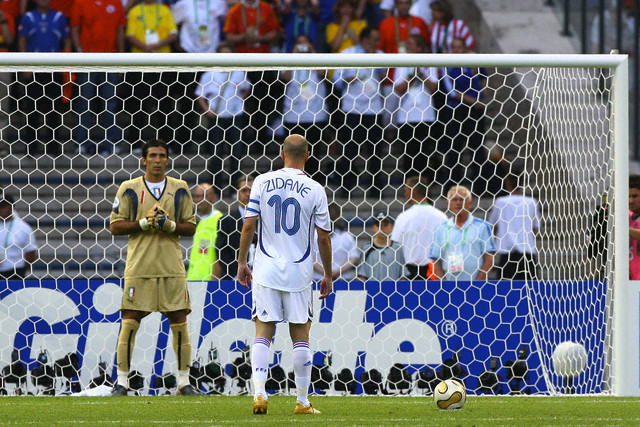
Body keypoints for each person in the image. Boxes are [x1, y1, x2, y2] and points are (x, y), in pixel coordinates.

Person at [237, 134, 332, 415]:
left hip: (265, 269)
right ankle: (302, 401)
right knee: (300, 335)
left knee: (263, 332)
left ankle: (259, 394)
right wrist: (327, 273)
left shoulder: (262, 182)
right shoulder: (315, 188)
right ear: (309, 154)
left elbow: (248, 225)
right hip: (300, 271)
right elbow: (324, 238)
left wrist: (242, 262)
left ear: (281, 153)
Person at [108, 139, 200, 396]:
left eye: (162, 156)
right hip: (140, 267)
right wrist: (144, 224)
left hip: (171, 267)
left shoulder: (180, 188)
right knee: (130, 320)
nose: (158, 160)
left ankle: (184, 382)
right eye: (153, 156)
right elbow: (115, 226)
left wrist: (169, 226)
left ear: (168, 160)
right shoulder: (129, 188)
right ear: (144, 160)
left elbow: (191, 227)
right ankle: (122, 382)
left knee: (179, 320)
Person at [333, 26, 387, 195]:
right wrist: (346, 79)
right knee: (349, 151)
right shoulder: (347, 54)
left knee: (375, 151)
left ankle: (375, 188)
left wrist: (371, 55)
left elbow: (384, 74)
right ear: (364, 39)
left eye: (377, 40)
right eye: (374, 39)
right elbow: (335, 80)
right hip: (352, 108)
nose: (376, 43)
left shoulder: (380, 55)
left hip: (374, 109)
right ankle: (346, 187)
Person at [70, 0, 126, 156]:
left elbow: (120, 30)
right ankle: (82, 143)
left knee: (110, 104)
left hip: (110, 60)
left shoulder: (116, 3)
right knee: (84, 103)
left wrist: (121, 57)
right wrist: (80, 52)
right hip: (87, 60)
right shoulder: (80, 3)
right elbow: (74, 28)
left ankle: (111, 142)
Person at [17, 0, 70, 157]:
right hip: (34, 69)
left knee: (54, 110)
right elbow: (22, 40)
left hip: (54, 69)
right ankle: (31, 149)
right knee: (32, 110)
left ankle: (53, 148)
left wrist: (66, 60)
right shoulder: (28, 17)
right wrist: (26, 65)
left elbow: (66, 39)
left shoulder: (59, 17)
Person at [195, 43, 250, 192]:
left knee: (236, 153)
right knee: (216, 154)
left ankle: (235, 188)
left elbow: (246, 89)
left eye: (228, 52)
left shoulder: (239, 72)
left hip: (235, 116)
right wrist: (208, 111)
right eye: (222, 53)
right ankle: (216, 189)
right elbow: (200, 94)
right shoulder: (209, 74)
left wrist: (239, 99)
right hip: (217, 118)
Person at [440, 36, 488, 192]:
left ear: (465, 48)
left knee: (477, 149)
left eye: (459, 47)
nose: (456, 51)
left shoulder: (473, 59)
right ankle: (453, 188)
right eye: (453, 48)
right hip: (456, 111)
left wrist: (483, 92)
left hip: (475, 111)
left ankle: (481, 188)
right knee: (454, 149)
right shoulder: (447, 65)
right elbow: (452, 92)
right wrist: (474, 101)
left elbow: (484, 75)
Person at [280, 35, 329, 183]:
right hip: (293, 115)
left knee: (313, 152)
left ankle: (312, 183)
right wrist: (294, 56)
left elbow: (323, 73)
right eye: (299, 43)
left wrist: (312, 53)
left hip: (315, 115)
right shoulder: (288, 62)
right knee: (293, 153)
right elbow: (285, 77)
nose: (302, 46)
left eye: (305, 43)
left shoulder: (318, 61)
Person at [392, 34, 438, 180]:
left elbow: (434, 88)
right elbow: (398, 89)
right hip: (406, 116)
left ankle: (424, 187)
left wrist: (421, 74)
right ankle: (410, 188)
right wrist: (412, 76)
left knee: (425, 153)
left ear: (419, 47)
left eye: (411, 44)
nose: (408, 47)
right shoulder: (401, 64)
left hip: (425, 116)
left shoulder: (430, 63)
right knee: (409, 154)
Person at [431, 185, 496, 281]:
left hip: (475, 287)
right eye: (454, 200)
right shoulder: (441, 229)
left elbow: (489, 260)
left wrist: (476, 285)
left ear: (470, 203)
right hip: (449, 287)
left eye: (462, 199)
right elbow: (436, 260)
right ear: (448, 204)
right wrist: (444, 286)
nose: (458, 203)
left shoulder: (482, 226)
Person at [391, 175, 447, 280]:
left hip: (409, 274)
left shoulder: (404, 217)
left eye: (406, 189)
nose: (404, 193)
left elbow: (395, 248)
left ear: (412, 191)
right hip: (435, 273)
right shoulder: (441, 217)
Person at [487, 174, 540, 280]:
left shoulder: (500, 202)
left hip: (507, 255)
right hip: (527, 254)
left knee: (506, 293)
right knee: (529, 290)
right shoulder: (531, 202)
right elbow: (535, 228)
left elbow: (492, 226)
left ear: (507, 183)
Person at [215, 175, 255, 280]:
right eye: (244, 190)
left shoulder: (263, 220)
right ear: (237, 193)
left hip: (259, 278)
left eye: (251, 191)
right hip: (232, 277)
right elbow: (221, 251)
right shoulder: (226, 220)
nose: (248, 194)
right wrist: (238, 271)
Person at [187, 183, 224, 281]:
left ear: (213, 197)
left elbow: (220, 253)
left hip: (208, 281)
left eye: (204, 196)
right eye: (197, 196)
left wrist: (214, 279)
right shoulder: (200, 222)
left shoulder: (219, 220)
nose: (200, 200)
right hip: (193, 278)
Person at [313, 203, 358, 281]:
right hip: (322, 279)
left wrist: (328, 273)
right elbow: (353, 257)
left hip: (337, 279)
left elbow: (354, 257)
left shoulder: (346, 236)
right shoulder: (347, 236)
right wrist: (333, 273)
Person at [357, 212, 408, 281]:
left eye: (385, 225)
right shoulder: (367, 248)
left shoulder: (398, 248)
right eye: (378, 225)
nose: (382, 228)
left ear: (392, 227)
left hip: (393, 290)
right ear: (373, 227)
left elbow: (403, 276)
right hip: (373, 290)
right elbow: (361, 276)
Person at [0, 194, 38, 279]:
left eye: (2, 207)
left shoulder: (23, 228)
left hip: (15, 272)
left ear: (10, 208)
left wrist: (22, 270)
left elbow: (31, 252)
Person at [629, 175, 640, 280]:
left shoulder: (621, 222)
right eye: (628, 196)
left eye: (635, 196)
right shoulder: (624, 216)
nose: (630, 201)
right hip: (626, 282)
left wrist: (622, 228)